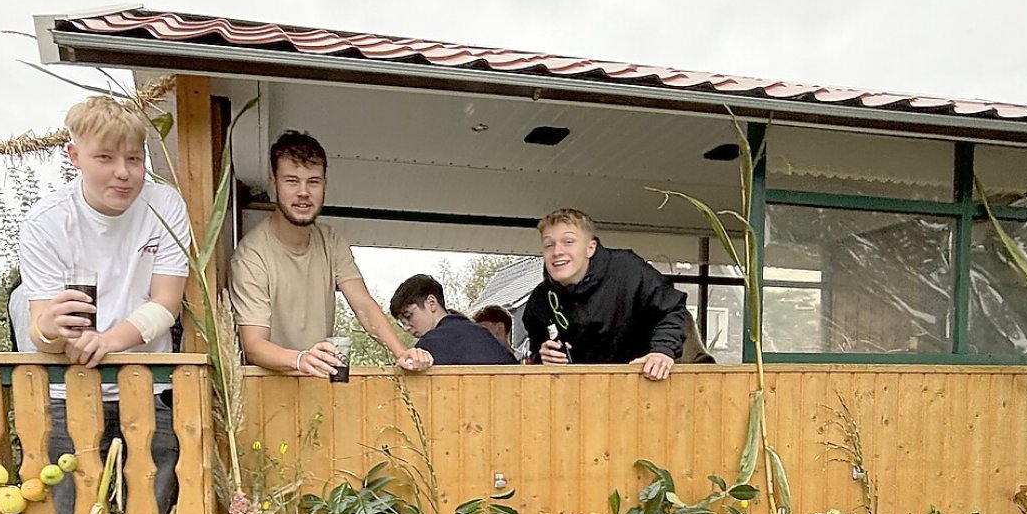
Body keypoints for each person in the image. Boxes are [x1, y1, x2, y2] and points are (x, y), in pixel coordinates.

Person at [21, 95, 188, 514]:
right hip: (68, 397)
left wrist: (110, 341)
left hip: (145, 390)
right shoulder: (47, 220)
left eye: (135, 159)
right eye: (106, 158)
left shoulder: (165, 206)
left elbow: (167, 301)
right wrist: (52, 329)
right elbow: (41, 323)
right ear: (74, 155)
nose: (123, 173)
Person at [229, 131, 432, 376]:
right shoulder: (251, 256)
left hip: (320, 387)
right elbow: (253, 345)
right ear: (274, 183)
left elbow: (364, 306)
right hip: (266, 391)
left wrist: (402, 353)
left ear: (325, 184)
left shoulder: (331, 241)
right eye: (292, 181)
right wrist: (301, 359)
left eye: (313, 182)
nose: (303, 192)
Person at [522, 208, 690, 381]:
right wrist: (543, 357)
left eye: (568, 241)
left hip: (643, 387)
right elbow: (536, 351)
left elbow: (672, 308)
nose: (557, 252)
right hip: (574, 396)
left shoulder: (628, 271)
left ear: (590, 248)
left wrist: (662, 352)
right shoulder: (540, 299)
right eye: (549, 244)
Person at [389, 275, 517, 365]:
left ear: (431, 303)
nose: (406, 328)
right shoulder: (484, 335)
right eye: (402, 324)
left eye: (409, 315)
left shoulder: (431, 343)